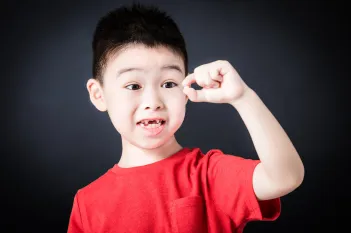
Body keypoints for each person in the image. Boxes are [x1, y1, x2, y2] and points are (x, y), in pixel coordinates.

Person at [67, 3, 304, 233]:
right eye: (133, 85)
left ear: (185, 91)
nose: (153, 101)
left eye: (169, 83)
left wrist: (243, 97)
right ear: (99, 95)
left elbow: (285, 177)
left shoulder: (208, 174)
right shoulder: (87, 202)